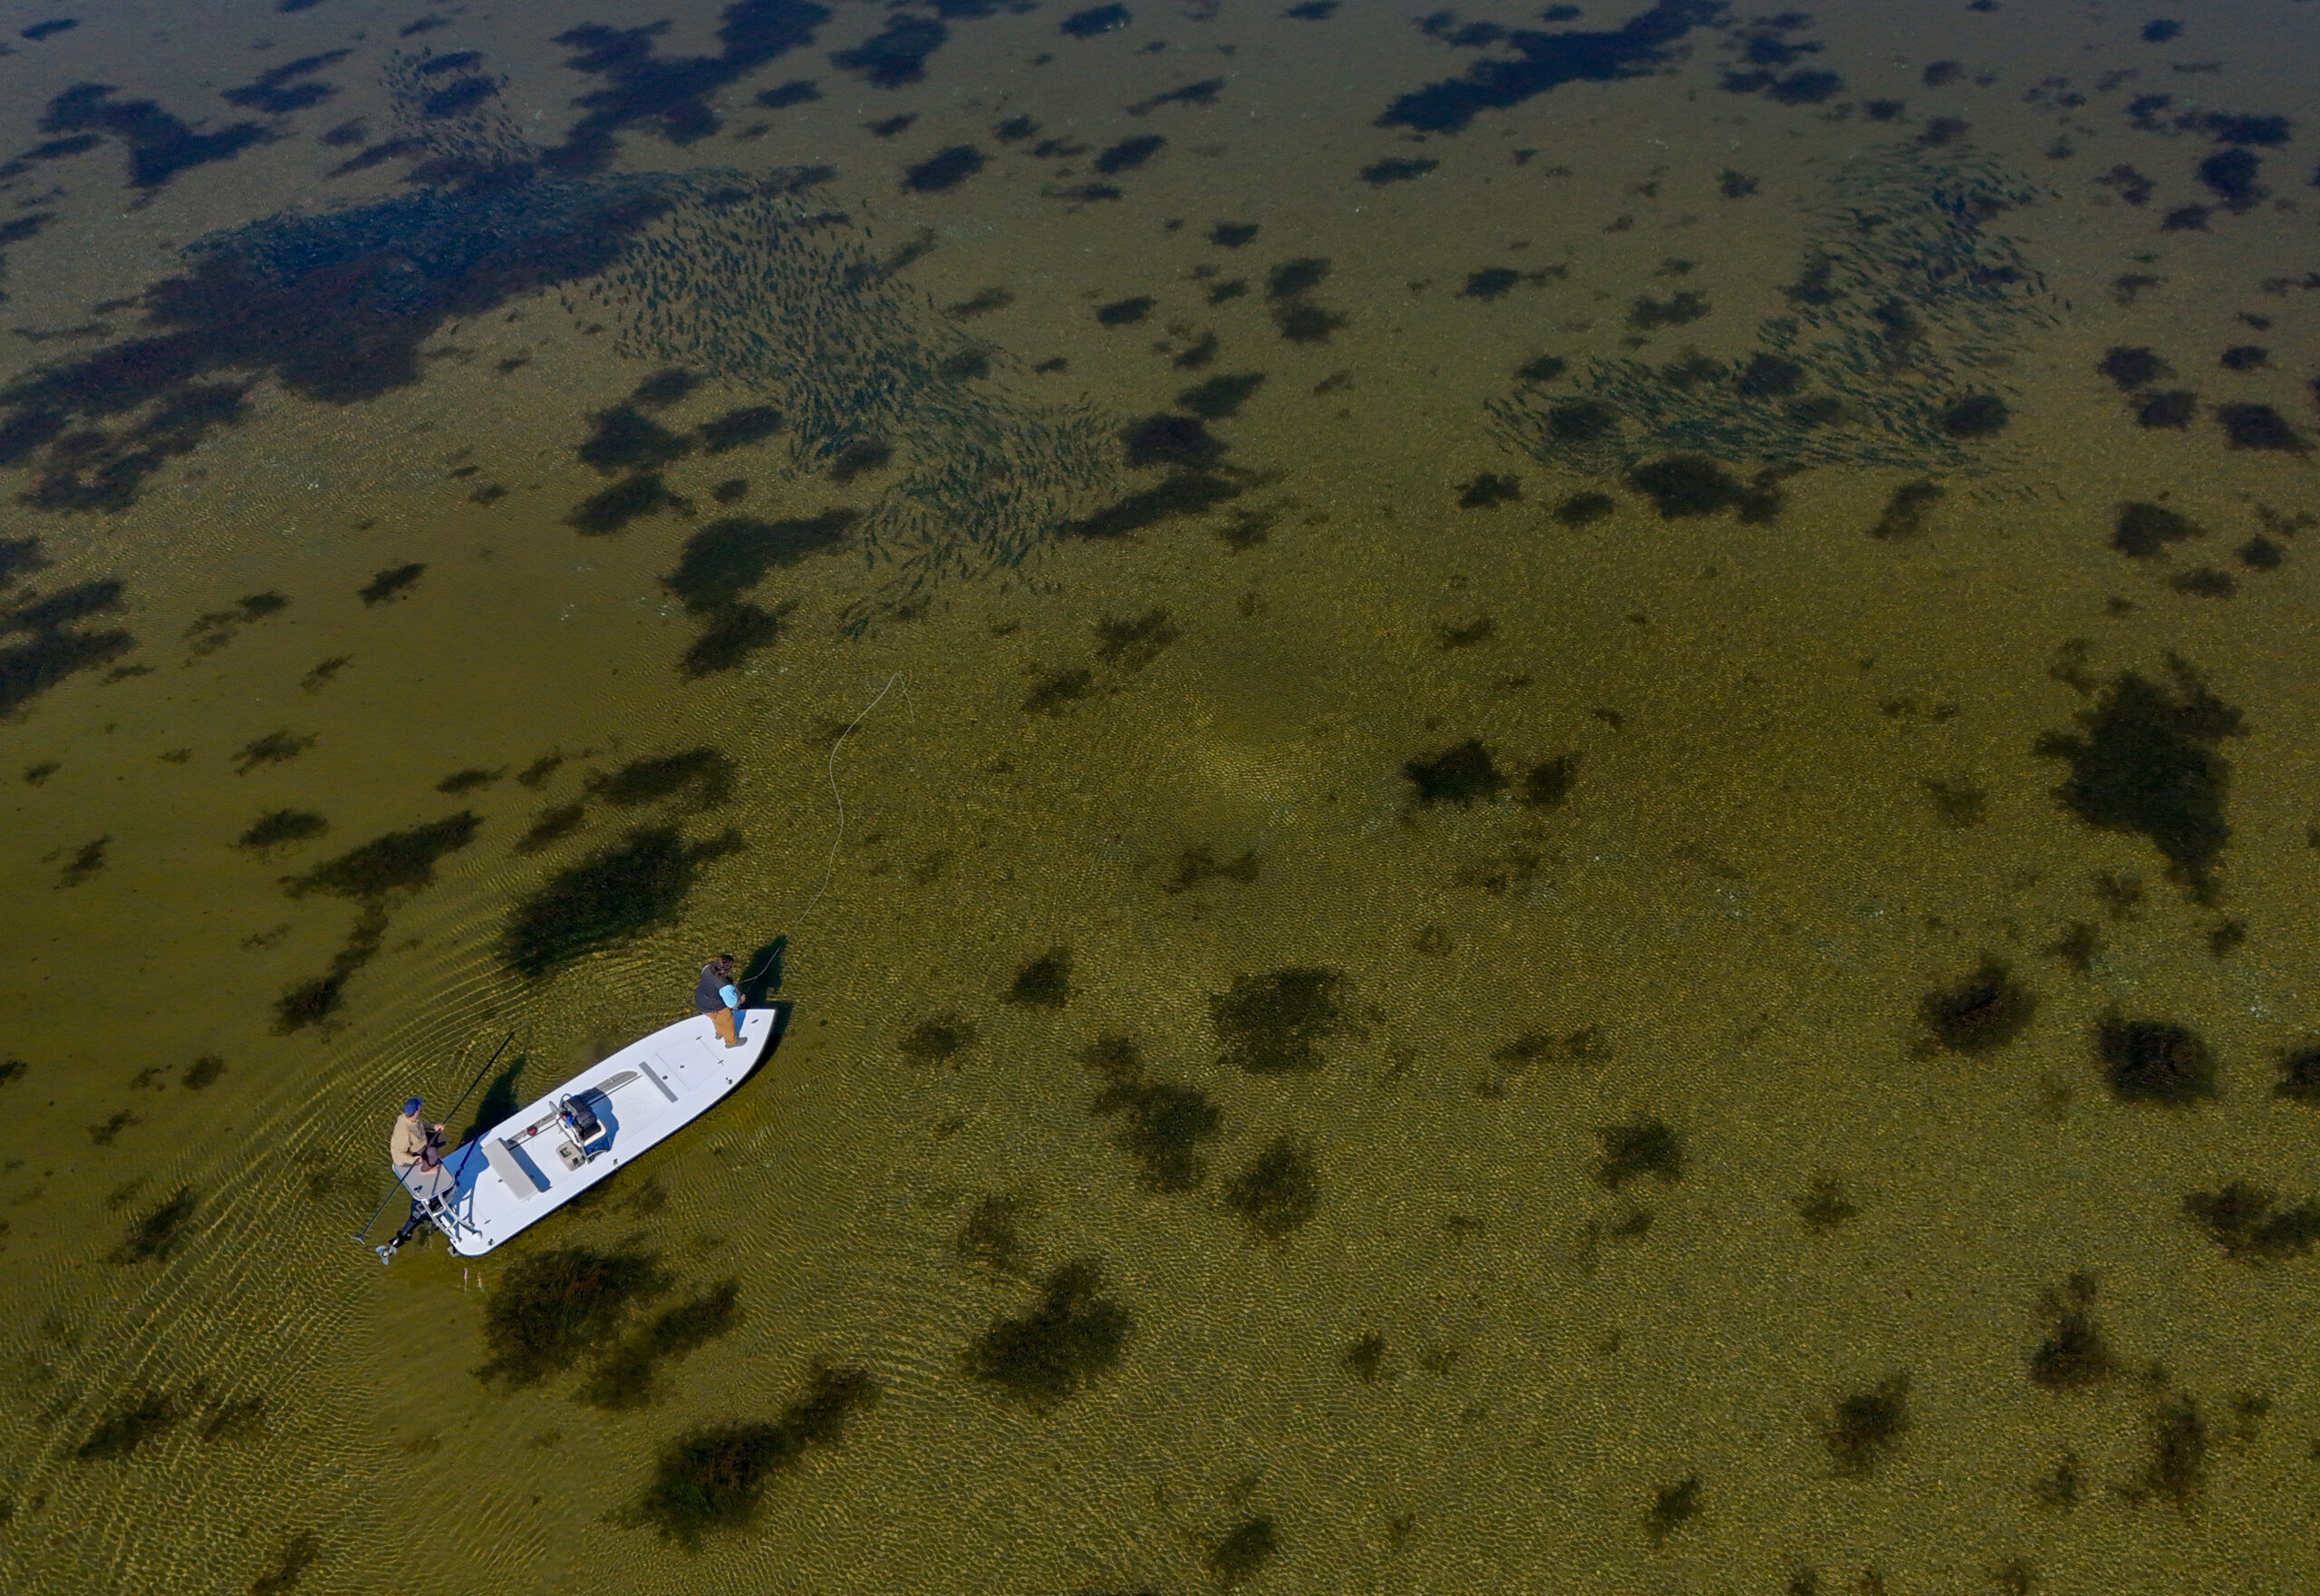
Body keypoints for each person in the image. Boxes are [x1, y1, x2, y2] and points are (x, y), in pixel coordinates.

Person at [695, 954, 745, 1048]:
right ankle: (731, 1042)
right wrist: (741, 999)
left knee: (716, 1019)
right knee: (727, 1022)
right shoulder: (724, 985)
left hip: (700, 1002)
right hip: (715, 1007)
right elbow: (732, 1004)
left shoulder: (707, 968)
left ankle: (719, 1034)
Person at [390, 1097, 446, 1174]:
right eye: (419, 1106)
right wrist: (413, 1159)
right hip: (408, 1156)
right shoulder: (404, 1134)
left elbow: (420, 1125)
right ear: (416, 1111)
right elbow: (398, 1154)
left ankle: (429, 1151)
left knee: (442, 1138)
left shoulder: (410, 1117)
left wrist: (434, 1127)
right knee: (433, 1153)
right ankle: (425, 1170)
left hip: (419, 1140)